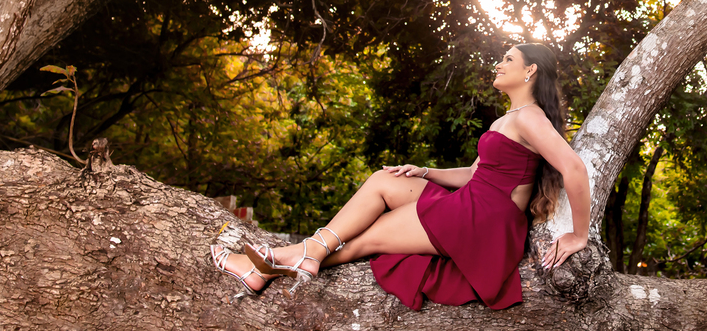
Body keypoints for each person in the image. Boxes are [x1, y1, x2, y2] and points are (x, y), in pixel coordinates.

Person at [210, 42, 591, 310]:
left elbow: (574, 168)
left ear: (530, 70)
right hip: (472, 204)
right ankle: (301, 255)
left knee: (370, 236)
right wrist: (424, 171)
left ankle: (273, 262)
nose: (499, 63)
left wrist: (579, 234)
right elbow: (474, 174)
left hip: (485, 220)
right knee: (382, 181)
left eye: (508, 58)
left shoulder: (531, 116)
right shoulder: (506, 119)